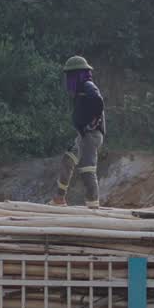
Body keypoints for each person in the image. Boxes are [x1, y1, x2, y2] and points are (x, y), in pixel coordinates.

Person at [51, 55, 105, 208]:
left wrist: (94, 121)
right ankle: (59, 199)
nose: (69, 78)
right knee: (68, 160)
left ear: (78, 74)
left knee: (88, 169)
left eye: (71, 74)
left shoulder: (88, 85)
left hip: (91, 135)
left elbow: (98, 101)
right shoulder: (81, 89)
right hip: (83, 135)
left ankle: (93, 206)